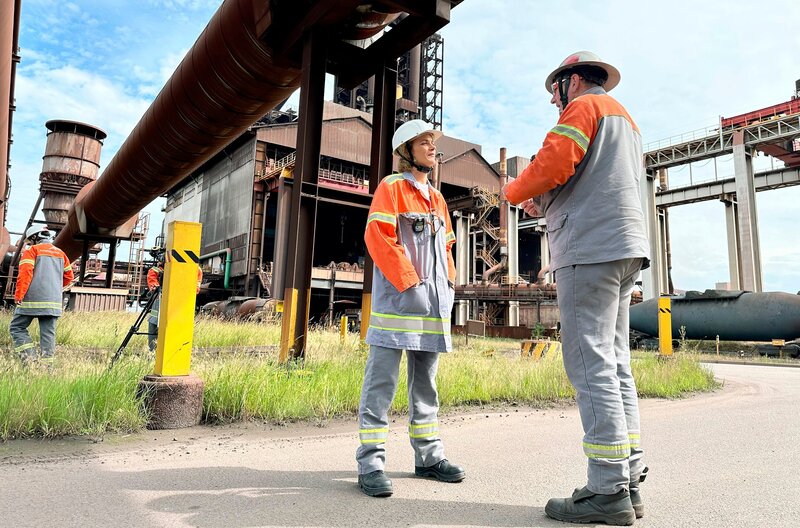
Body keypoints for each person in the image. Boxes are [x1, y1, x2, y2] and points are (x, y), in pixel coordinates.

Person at [502, 51, 651, 526]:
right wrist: (545, 201)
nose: (553, 100)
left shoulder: (583, 107)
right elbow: (589, 179)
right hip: (625, 245)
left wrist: (516, 191)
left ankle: (606, 490)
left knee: (589, 363)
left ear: (573, 81)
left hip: (590, 247)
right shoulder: (625, 120)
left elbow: (552, 163)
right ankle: (628, 480)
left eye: (555, 89)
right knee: (615, 363)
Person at [356, 119, 464, 497]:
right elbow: (379, 237)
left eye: (433, 142)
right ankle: (371, 463)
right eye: (424, 142)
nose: (433, 148)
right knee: (381, 384)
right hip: (398, 304)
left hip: (432, 307)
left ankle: (429, 458)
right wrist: (410, 283)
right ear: (406, 152)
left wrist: (448, 285)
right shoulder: (392, 188)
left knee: (426, 387)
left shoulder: (438, 199)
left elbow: (446, 248)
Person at [10, 226, 74, 366]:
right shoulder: (61, 253)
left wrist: (19, 295)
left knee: (16, 327)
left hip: (32, 300)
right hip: (53, 302)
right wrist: (53, 289)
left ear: (34, 237)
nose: (30, 243)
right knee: (48, 335)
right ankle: (47, 368)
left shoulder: (32, 251)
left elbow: (25, 274)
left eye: (30, 240)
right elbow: (69, 277)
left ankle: (30, 360)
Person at [146, 249, 202, 352]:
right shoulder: (156, 270)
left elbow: (195, 288)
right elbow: (153, 286)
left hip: (174, 302)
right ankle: (154, 350)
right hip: (164, 301)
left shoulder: (195, 270)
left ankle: (156, 350)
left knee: (156, 325)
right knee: (154, 323)